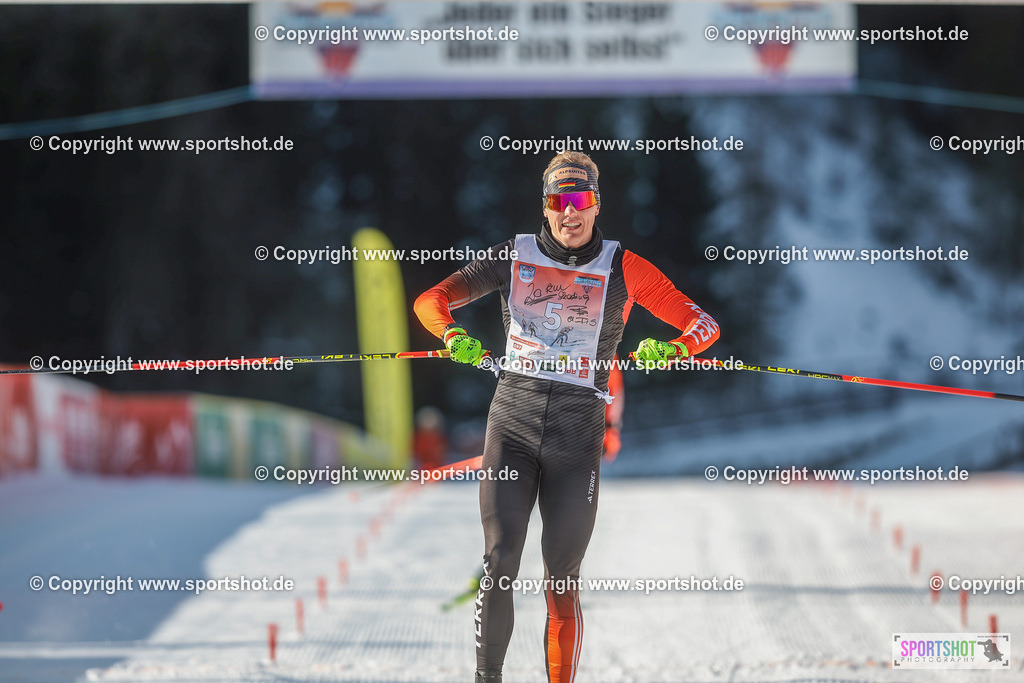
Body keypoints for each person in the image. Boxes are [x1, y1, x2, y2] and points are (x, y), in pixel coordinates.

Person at [414, 151, 719, 683]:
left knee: (562, 578)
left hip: (576, 442)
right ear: (546, 206)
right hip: (512, 424)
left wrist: (673, 349)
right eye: (560, 201)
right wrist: (451, 335)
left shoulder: (625, 268)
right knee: (501, 562)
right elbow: (430, 299)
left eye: (581, 201)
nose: (570, 213)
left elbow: (703, 323)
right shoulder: (515, 256)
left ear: (596, 206)